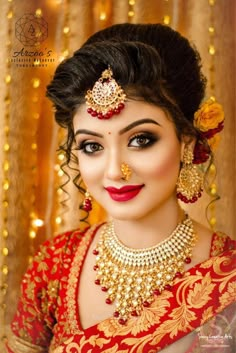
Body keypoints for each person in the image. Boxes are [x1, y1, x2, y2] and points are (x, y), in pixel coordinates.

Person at [6, 23, 235, 353]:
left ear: (186, 140)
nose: (115, 171)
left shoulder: (228, 279)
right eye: (91, 146)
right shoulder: (54, 267)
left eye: (141, 140)